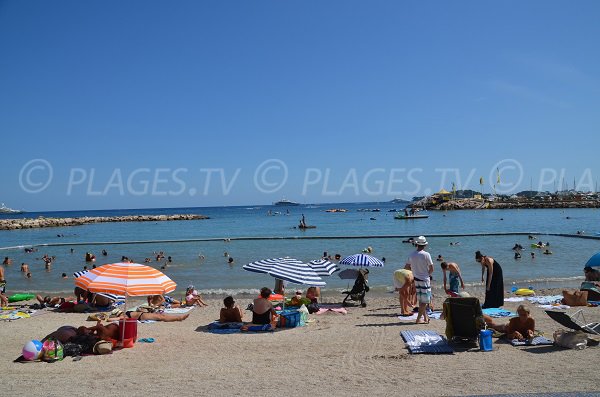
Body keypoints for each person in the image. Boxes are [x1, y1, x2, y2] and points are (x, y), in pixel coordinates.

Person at [405, 236, 434, 324]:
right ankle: (418, 319)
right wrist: (427, 274)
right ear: (424, 245)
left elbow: (407, 267)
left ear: (417, 244)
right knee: (424, 302)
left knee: (421, 300)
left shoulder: (412, 254)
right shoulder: (426, 254)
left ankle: (425, 318)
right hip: (424, 279)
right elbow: (432, 268)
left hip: (416, 279)